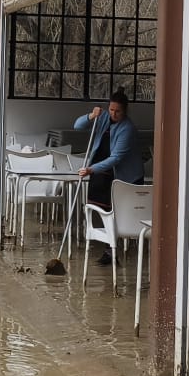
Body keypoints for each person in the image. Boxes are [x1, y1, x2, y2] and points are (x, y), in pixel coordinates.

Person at [75, 91, 143, 261]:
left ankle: (112, 250)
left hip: (124, 176)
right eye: (111, 109)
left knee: (117, 212)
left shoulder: (127, 129)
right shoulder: (103, 117)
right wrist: (91, 116)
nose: (113, 114)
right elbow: (77, 125)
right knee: (103, 209)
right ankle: (109, 249)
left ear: (125, 111)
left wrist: (91, 169)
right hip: (102, 172)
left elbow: (116, 158)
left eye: (118, 111)